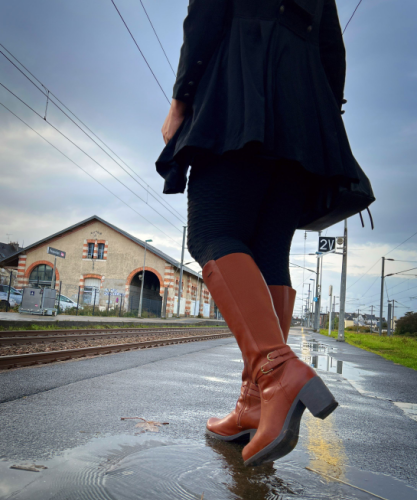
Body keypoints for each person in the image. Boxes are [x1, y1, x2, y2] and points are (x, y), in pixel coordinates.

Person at [155, 0, 374, 467]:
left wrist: (181, 101)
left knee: (211, 234)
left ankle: (276, 373)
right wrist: (318, 112)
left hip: (239, 83)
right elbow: (331, 49)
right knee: (269, 250)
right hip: (306, 105)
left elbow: (206, 17)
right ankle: (255, 403)